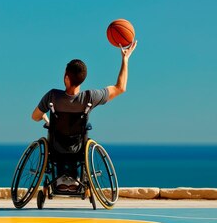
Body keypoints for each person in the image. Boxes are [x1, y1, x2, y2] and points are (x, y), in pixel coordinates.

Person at [31, 40, 137, 191]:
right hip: (78, 146)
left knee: (56, 141)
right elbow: (121, 88)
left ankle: (61, 178)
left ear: (66, 78)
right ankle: (75, 180)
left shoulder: (52, 96)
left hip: (56, 146)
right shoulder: (90, 97)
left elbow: (34, 116)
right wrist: (125, 59)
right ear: (83, 78)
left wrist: (45, 118)